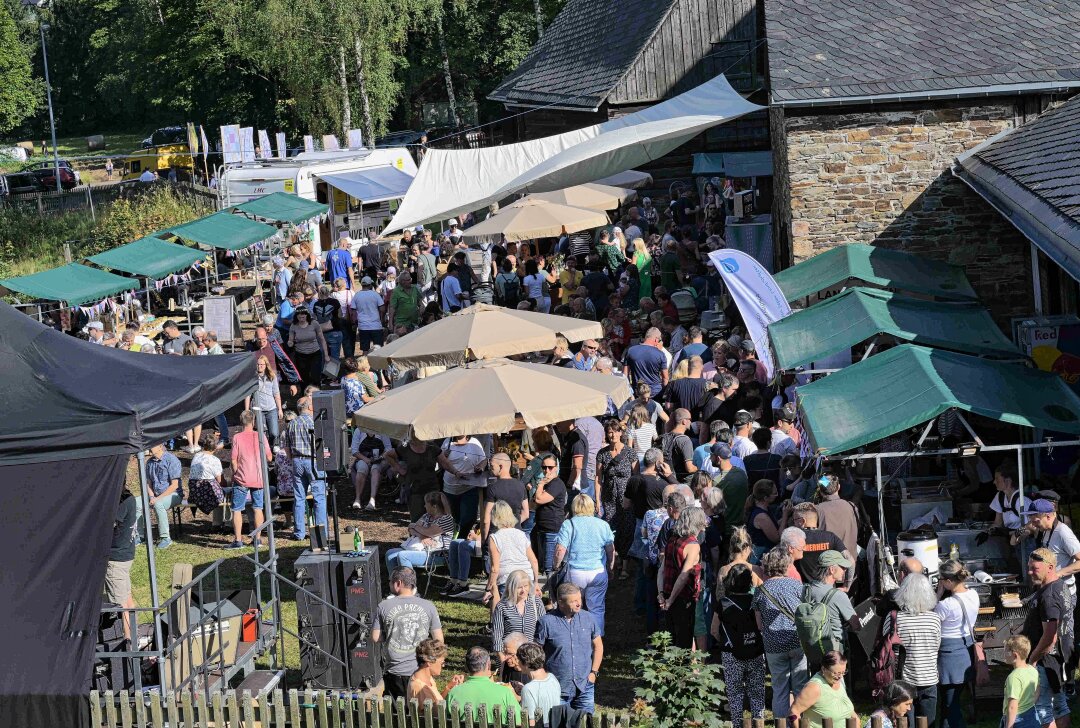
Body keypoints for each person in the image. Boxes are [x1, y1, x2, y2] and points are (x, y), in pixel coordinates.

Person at [752, 546, 808, 720]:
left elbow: (759, 625)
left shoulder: (760, 591)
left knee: (779, 688)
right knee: (800, 685)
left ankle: (782, 723)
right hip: (797, 640)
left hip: (773, 644)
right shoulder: (798, 586)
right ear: (786, 565)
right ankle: (799, 721)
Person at [373, 567, 444, 699]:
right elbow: (439, 639)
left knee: (396, 712)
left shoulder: (383, 606)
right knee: (422, 711)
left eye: (390, 581)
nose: (389, 584)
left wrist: (390, 634)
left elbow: (375, 637)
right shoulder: (429, 605)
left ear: (398, 583)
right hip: (420, 670)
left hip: (395, 671)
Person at [1023, 548, 1074, 728]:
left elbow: (1050, 636)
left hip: (1046, 660)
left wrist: (1032, 660)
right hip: (1061, 658)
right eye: (1029, 567)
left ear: (1050, 567)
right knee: (1060, 706)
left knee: (1043, 710)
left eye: (1034, 568)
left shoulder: (1049, 595)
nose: (1029, 572)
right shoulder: (1060, 585)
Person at [885, 573, 942, 728]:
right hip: (929, 678)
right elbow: (936, 646)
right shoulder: (935, 618)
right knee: (928, 723)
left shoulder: (895, 618)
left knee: (905, 723)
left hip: (904, 680)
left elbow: (888, 647)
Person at [537, 583, 604, 713]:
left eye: (579, 599)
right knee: (559, 722)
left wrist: (594, 673)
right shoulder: (546, 622)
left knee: (586, 722)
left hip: (585, 684)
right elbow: (536, 653)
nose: (579, 603)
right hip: (557, 686)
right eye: (573, 601)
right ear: (561, 602)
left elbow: (598, 646)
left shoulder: (588, 618)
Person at [554, 494, 615, 632]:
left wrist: (556, 566)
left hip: (575, 573)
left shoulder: (569, 524)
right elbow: (610, 549)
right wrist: (610, 567)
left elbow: (560, 549)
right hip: (597, 571)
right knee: (597, 608)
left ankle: (576, 635)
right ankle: (597, 639)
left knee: (574, 607)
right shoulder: (603, 524)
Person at [716, 564, 766, 726]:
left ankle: (737, 724)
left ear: (730, 581)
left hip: (731, 654)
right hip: (756, 651)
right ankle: (759, 723)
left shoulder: (723, 603)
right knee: (757, 692)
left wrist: (724, 642)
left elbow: (713, 630)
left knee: (734, 693)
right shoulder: (756, 601)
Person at [935, 559, 979, 728]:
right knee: (951, 703)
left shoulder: (947, 605)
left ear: (948, 581)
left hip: (949, 655)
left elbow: (931, 621)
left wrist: (938, 595)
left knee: (950, 704)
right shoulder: (974, 595)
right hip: (965, 650)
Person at [804, 550, 861, 672]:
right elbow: (856, 625)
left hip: (813, 647)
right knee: (836, 685)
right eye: (842, 567)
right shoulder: (838, 596)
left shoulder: (807, 589)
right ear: (831, 569)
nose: (845, 570)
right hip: (834, 650)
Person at [658, 506, 706, 648]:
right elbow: (683, 576)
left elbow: (661, 570)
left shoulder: (672, 539)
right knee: (683, 641)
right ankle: (684, 669)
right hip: (683, 598)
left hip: (667, 594)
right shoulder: (693, 544)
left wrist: (661, 594)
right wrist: (671, 600)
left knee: (671, 637)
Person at [283, 398, 327, 542]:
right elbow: (321, 445)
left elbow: (287, 447)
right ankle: (321, 533)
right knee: (319, 497)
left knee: (299, 498)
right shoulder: (314, 423)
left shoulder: (291, 424)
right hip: (313, 460)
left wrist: (293, 460)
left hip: (297, 460)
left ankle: (299, 533)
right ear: (309, 407)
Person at [227, 411, 273, 549]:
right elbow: (269, 457)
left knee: (236, 509)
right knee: (258, 508)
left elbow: (234, 460)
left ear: (241, 422)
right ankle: (258, 539)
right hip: (258, 478)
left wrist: (235, 473)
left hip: (242, 478)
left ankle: (238, 540)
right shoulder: (261, 436)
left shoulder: (237, 437)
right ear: (253, 421)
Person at [483, 501, 541, 610]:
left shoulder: (495, 538)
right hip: (526, 578)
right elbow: (534, 561)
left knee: (510, 614)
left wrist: (488, 588)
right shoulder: (521, 534)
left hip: (507, 580)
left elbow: (495, 568)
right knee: (528, 612)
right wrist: (536, 582)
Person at [595, 419, 636, 569]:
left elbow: (635, 476)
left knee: (626, 526)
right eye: (609, 432)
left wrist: (634, 497)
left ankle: (625, 562)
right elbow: (598, 477)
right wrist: (597, 499)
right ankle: (612, 560)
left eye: (614, 431)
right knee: (609, 526)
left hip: (626, 496)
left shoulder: (630, 453)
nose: (612, 434)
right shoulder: (602, 454)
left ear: (620, 432)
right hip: (608, 495)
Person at [446, 647, 521, 722]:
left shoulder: (453, 693)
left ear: (466, 667)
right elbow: (519, 722)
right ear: (489, 665)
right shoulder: (505, 692)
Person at [385, 492, 455, 571]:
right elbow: (411, 530)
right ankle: (395, 581)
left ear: (434, 506)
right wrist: (421, 536)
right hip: (421, 549)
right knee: (390, 553)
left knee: (403, 556)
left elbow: (428, 532)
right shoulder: (426, 516)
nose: (424, 506)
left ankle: (408, 582)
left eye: (426, 504)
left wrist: (414, 526)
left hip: (437, 554)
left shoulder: (446, 519)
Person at [789, 651, 858, 728]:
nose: (840, 676)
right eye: (836, 673)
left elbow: (850, 712)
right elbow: (794, 711)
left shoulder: (836, 681)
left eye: (843, 672)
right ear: (824, 669)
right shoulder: (814, 687)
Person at [441, 435, 487, 544]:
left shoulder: (475, 442)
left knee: (469, 517)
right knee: (454, 518)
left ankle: (461, 540)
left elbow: (484, 460)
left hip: (469, 487)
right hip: (450, 487)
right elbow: (441, 461)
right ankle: (453, 542)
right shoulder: (447, 442)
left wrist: (480, 467)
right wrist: (444, 456)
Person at [106, 487, 139, 641]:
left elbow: (109, 525)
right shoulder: (130, 498)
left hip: (116, 560)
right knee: (128, 600)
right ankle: (134, 636)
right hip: (126, 556)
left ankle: (130, 642)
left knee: (122, 606)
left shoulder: (122, 503)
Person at [384, 439, 444, 521]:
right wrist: (400, 469)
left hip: (432, 487)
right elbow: (387, 455)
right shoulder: (406, 447)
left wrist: (456, 472)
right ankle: (416, 533)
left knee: (435, 518)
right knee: (417, 519)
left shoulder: (432, 446)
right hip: (414, 489)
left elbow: (445, 462)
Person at [490, 569, 545, 653]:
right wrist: (502, 658)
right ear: (511, 588)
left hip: (531, 655)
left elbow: (544, 629)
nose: (523, 590)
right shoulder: (502, 606)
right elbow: (497, 635)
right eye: (519, 587)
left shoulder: (536, 602)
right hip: (510, 655)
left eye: (526, 586)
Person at [532, 453, 568, 573]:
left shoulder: (556, 484)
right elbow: (534, 503)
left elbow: (539, 499)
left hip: (552, 528)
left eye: (550, 467)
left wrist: (540, 484)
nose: (547, 470)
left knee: (549, 567)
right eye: (544, 467)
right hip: (542, 527)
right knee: (543, 565)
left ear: (556, 467)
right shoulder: (547, 483)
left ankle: (551, 591)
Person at [813, 474, 860, 563]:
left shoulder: (817, 510)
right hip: (850, 561)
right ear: (838, 487)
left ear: (821, 491)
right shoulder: (851, 506)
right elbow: (858, 527)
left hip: (829, 564)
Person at [483, 453, 529, 540]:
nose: (490, 469)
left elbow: (486, 519)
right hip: (516, 534)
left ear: (500, 467)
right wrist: (513, 524)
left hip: (497, 535)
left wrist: (484, 540)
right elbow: (526, 514)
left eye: (492, 466)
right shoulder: (521, 485)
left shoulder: (492, 488)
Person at [145, 443, 183, 549]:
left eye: (152, 445)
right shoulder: (149, 462)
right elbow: (148, 483)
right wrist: (152, 496)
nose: (149, 447)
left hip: (174, 495)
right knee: (137, 503)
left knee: (158, 504)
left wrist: (157, 498)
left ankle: (165, 538)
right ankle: (140, 536)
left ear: (160, 446)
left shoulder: (172, 460)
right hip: (155, 496)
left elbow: (175, 485)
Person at [518, 641, 562, 727]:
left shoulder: (528, 689)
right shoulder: (552, 678)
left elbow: (530, 722)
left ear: (526, 663)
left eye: (519, 660)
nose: (518, 663)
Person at [408, 639, 463, 704]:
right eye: (441, 662)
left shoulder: (426, 677)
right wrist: (460, 690)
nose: (443, 666)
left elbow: (438, 702)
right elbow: (439, 712)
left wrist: (449, 687)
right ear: (429, 662)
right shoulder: (420, 689)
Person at [715, 526, 763, 600]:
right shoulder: (756, 570)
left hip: (731, 610)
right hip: (751, 610)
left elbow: (720, 597)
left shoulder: (723, 570)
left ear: (731, 548)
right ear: (748, 549)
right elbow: (761, 597)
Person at [1002, 636, 1040, 728]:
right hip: (1031, 714)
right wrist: (1030, 703)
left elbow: (1012, 707)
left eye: (1006, 651)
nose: (1004, 653)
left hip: (1017, 720)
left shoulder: (1013, 677)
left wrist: (1009, 726)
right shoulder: (1033, 670)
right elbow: (1038, 690)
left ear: (1015, 655)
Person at [245, 355, 282, 447]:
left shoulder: (272, 376)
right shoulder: (252, 378)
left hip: (271, 408)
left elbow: (276, 393)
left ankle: (272, 445)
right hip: (259, 409)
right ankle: (265, 450)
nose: (259, 366)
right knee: (262, 432)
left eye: (262, 364)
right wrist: (247, 410)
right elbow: (247, 395)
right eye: (258, 364)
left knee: (274, 433)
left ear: (266, 365)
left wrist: (280, 408)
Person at [350, 427, 391, 511]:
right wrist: (366, 459)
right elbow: (354, 450)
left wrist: (380, 457)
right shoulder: (359, 430)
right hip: (363, 457)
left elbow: (388, 448)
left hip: (380, 458)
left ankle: (372, 499)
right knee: (361, 468)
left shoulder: (382, 430)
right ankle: (357, 499)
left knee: (375, 468)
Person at [713, 443, 750, 535]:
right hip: (741, 526)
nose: (710, 458)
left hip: (726, 528)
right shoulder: (741, 473)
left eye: (711, 455)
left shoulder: (717, 481)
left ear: (718, 459)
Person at [625, 327, 670, 396]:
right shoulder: (660, 354)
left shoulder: (631, 350)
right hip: (655, 392)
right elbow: (665, 378)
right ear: (656, 339)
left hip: (638, 391)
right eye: (659, 340)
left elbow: (625, 374)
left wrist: (630, 390)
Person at [351, 276, 386, 353]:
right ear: (370, 285)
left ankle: (365, 363)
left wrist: (354, 323)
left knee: (365, 350)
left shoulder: (356, 295)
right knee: (379, 349)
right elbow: (382, 309)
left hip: (363, 327)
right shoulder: (375, 295)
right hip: (376, 326)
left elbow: (353, 312)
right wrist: (382, 319)